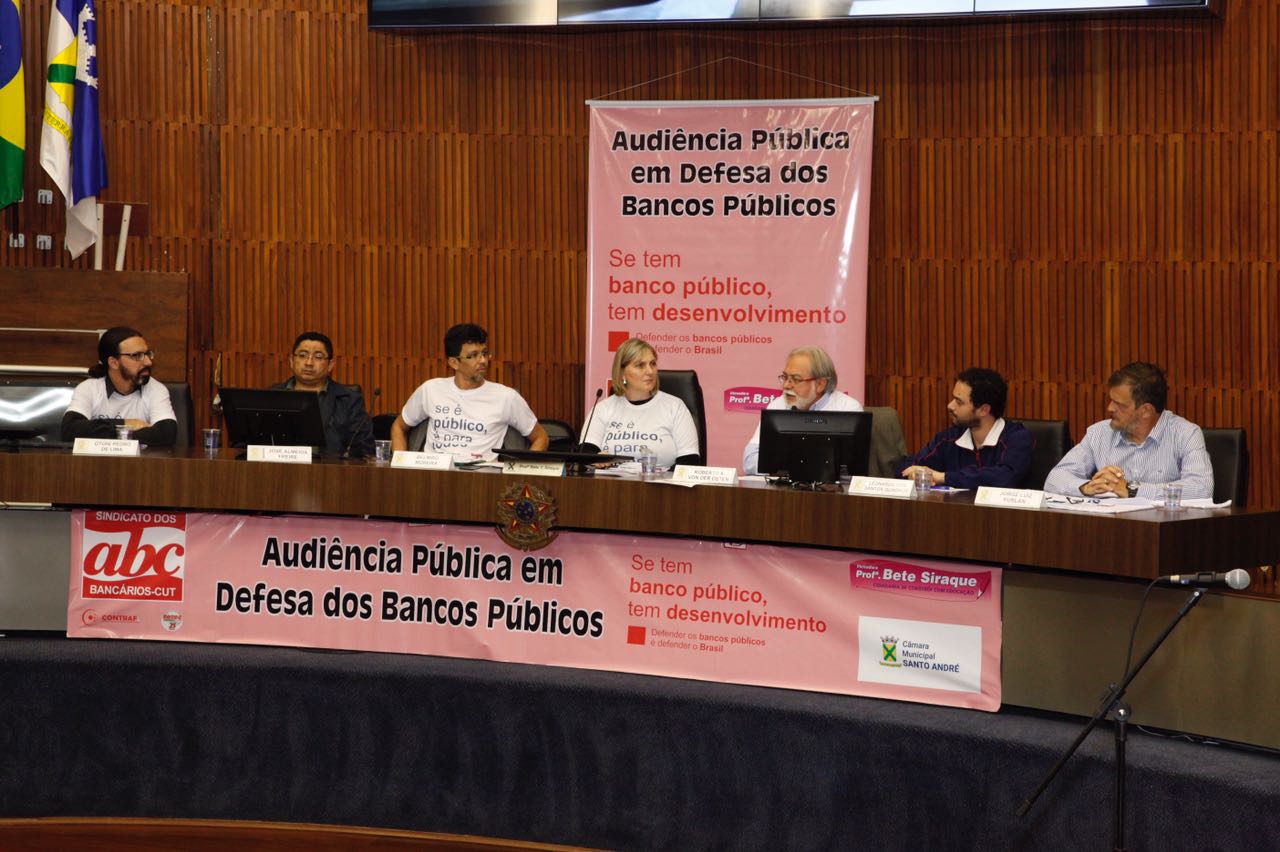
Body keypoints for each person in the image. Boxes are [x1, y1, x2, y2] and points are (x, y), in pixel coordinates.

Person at [1043, 362, 1213, 499]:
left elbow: (1201, 488)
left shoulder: (1185, 434)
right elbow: (1054, 479)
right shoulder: (1099, 433)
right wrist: (1087, 487)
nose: (1110, 408)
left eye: (1119, 404)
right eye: (1111, 400)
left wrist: (1132, 490)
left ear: (1146, 410)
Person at [390, 323, 549, 458]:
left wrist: (522, 472)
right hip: (433, 476)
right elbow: (398, 427)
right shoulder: (430, 390)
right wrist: (400, 466)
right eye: (473, 355)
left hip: (481, 480)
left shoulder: (507, 397)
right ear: (453, 363)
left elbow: (541, 438)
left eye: (485, 353)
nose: (483, 361)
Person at [894, 367, 1032, 489]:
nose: (950, 406)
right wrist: (915, 473)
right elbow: (906, 467)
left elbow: (1004, 477)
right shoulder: (949, 438)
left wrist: (943, 477)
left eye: (959, 402)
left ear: (983, 410)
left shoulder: (1018, 438)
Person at [579, 338, 701, 468]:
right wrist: (597, 461)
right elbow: (586, 455)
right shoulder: (603, 409)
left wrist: (661, 477)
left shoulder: (675, 407)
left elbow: (689, 461)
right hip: (611, 480)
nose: (650, 371)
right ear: (622, 373)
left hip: (662, 480)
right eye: (640, 365)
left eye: (652, 364)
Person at [742, 346, 862, 475]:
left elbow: (852, 467)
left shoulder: (848, 409)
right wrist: (800, 465)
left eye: (796, 379)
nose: (786, 385)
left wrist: (788, 464)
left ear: (820, 384)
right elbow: (750, 461)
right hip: (784, 487)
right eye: (785, 377)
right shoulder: (778, 405)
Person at [61, 326, 177, 446]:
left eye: (147, 354)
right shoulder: (89, 389)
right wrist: (126, 423)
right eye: (137, 356)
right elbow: (70, 430)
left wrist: (103, 432)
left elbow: (166, 434)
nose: (148, 362)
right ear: (114, 363)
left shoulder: (156, 389)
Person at [269, 331, 374, 458]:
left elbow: (364, 448)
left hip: (330, 468)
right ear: (292, 360)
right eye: (302, 355)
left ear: (330, 365)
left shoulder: (349, 400)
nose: (309, 363)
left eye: (318, 357)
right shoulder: (273, 395)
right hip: (279, 466)